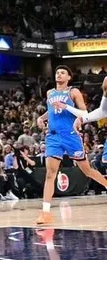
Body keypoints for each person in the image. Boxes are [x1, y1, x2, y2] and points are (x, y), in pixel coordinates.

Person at [36, 65, 107, 224]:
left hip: (70, 135)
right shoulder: (50, 93)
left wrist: (66, 106)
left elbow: (84, 113)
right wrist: (41, 118)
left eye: (62, 73)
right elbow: (52, 111)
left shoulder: (73, 92)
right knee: (50, 173)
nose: (59, 74)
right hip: (53, 136)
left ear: (69, 77)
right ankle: (45, 212)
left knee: (87, 171)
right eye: (57, 72)